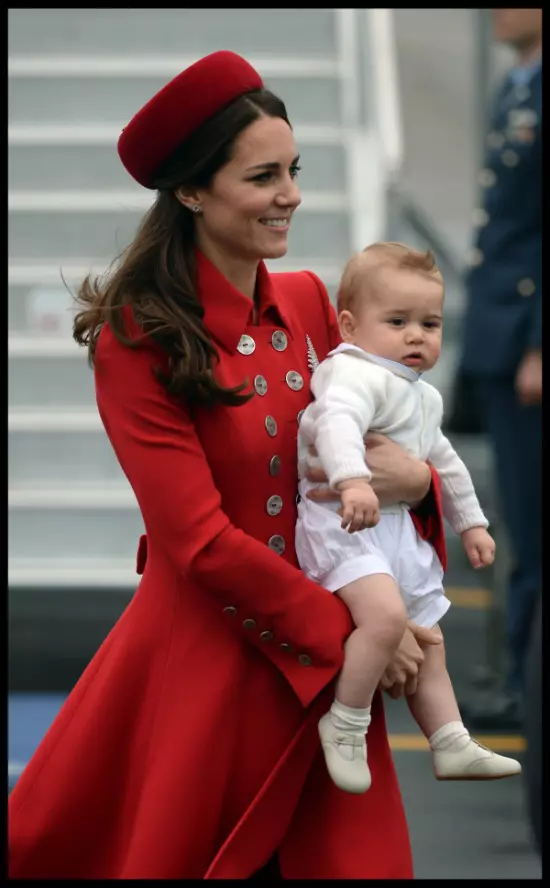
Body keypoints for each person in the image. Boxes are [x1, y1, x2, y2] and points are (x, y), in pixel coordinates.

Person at [9, 50, 444, 881]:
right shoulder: (136, 340)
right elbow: (198, 541)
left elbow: (400, 458)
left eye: (295, 170)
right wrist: (351, 634)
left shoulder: (317, 304)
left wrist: (419, 487)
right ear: (192, 191)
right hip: (210, 676)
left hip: (327, 678)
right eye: (262, 176)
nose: (291, 195)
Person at [296, 242, 521, 794]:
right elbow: (337, 426)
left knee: (431, 639)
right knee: (385, 620)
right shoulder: (351, 372)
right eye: (397, 321)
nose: (416, 336)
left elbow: (443, 459)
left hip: (392, 528)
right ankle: (345, 723)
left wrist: (472, 522)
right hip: (342, 523)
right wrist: (351, 480)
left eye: (430, 323)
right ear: (349, 325)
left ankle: (449, 739)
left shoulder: (420, 395)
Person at [458, 8, 541, 730]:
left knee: (535, 529)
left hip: (527, 341)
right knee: (520, 521)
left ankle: (526, 682)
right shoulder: (518, 88)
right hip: (503, 335)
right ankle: (519, 673)